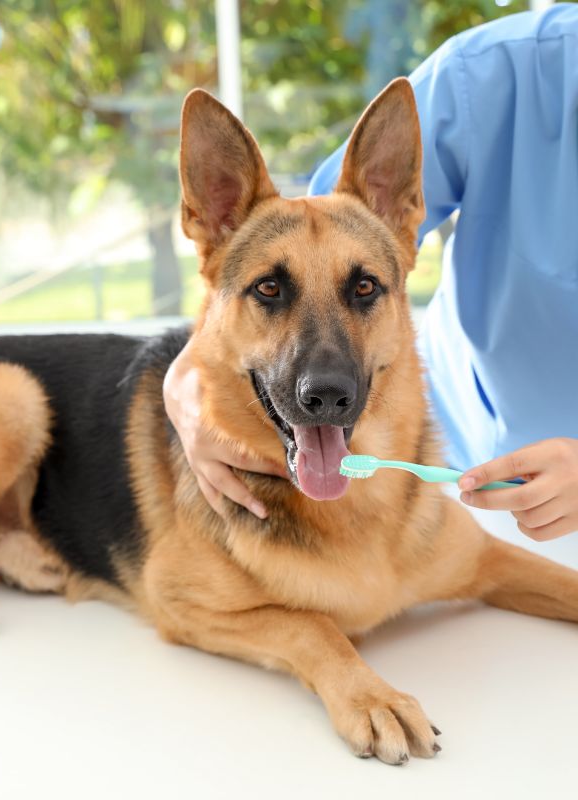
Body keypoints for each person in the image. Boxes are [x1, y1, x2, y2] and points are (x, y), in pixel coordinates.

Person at [163, 4, 578, 541]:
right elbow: (311, 235)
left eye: (365, 291)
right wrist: (187, 386)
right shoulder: (488, 75)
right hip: (460, 476)